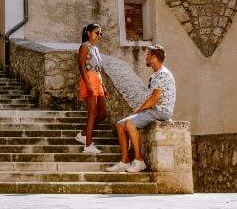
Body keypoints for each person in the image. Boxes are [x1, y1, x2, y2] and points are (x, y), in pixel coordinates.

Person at [106, 44, 175, 173]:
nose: (146, 58)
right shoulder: (157, 74)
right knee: (120, 125)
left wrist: (139, 110)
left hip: (160, 111)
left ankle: (139, 161)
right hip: (154, 110)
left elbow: (154, 100)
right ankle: (125, 161)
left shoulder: (162, 75)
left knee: (130, 123)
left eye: (148, 55)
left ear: (154, 57)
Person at [75, 22, 108, 155]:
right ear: (89, 33)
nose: (99, 35)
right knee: (93, 113)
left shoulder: (95, 48)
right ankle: (88, 146)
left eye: (101, 33)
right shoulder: (84, 47)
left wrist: (103, 86)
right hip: (89, 81)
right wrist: (88, 84)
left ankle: (83, 134)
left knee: (103, 113)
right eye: (97, 33)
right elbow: (81, 67)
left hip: (98, 82)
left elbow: (98, 69)